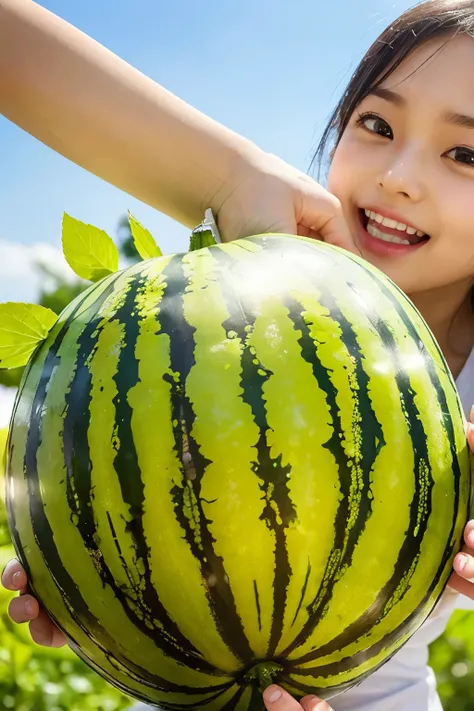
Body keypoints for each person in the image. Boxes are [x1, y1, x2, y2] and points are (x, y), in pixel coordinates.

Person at [1, 0, 474, 710]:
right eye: (376, 124)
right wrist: (99, 558)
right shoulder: (235, 311)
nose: (399, 176)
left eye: (466, 153)